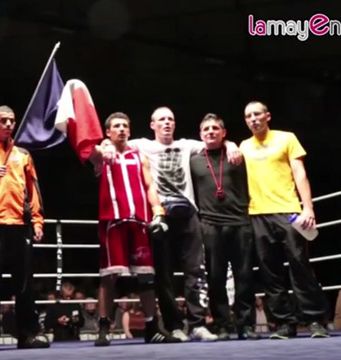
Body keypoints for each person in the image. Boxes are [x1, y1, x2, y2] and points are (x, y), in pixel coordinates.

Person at [103, 107, 241, 341]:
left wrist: (232, 145)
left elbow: (214, 140)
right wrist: (105, 145)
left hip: (188, 214)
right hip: (160, 215)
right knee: (163, 274)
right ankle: (174, 325)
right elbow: (114, 142)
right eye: (161, 120)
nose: (166, 123)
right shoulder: (142, 144)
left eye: (170, 119)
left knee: (196, 271)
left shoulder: (188, 145)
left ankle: (197, 324)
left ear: (174, 125)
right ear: (152, 125)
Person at [240, 100, 329, 339]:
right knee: (270, 273)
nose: (253, 119)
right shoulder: (244, 146)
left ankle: (314, 320)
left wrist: (308, 208)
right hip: (257, 213)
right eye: (248, 116)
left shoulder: (286, 138)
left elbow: (300, 172)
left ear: (267, 116)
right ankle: (283, 323)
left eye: (257, 114)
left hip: (288, 211)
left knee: (301, 265)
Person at [90, 112, 177, 346]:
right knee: (109, 276)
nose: (121, 129)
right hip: (113, 221)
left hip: (139, 221)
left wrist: (157, 210)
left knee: (146, 276)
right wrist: (103, 144)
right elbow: (89, 150)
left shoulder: (139, 156)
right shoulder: (103, 155)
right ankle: (104, 327)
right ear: (108, 131)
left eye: (125, 126)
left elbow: (149, 185)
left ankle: (152, 327)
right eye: (116, 126)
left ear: (129, 130)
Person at [0, 105, 49, 351]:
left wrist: (37, 220)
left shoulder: (23, 154)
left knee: (24, 283)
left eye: (12, 121)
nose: (8, 124)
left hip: (20, 225)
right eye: (3, 121)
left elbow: (34, 190)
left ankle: (28, 334)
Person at [189, 113, 259, 341]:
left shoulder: (238, 154)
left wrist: (231, 145)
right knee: (216, 278)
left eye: (215, 128)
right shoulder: (194, 159)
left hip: (240, 222)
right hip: (210, 225)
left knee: (245, 277)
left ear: (223, 132)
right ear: (200, 135)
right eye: (206, 129)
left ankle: (246, 325)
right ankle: (222, 325)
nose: (210, 131)